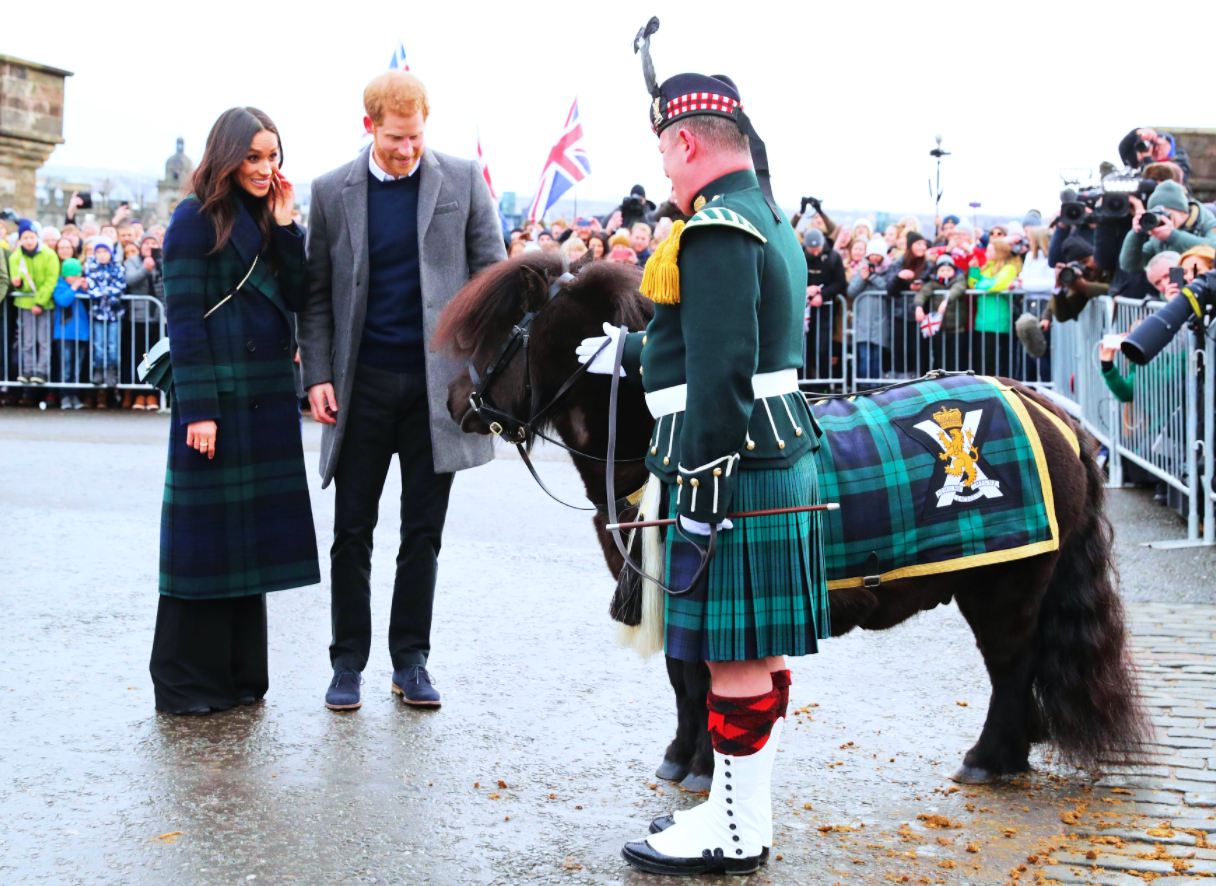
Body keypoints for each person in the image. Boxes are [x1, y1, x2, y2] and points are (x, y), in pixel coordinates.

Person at [577, 43, 829, 876]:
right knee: (751, 657)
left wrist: (701, 494)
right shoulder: (764, 215)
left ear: (687, 145)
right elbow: (712, 344)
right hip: (768, 455)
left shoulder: (717, 228)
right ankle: (739, 815)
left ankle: (733, 827)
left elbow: (724, 372)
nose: (663, 169)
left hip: (732, 466)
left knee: (734, 660)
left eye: (662, 152)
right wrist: (634, 350)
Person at [297, 70, 506, 712]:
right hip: (359, 389)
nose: (407, 149)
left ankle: (411, 661)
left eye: (415, 137)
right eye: (394, 139)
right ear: (369, 127)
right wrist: (319, 375)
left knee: (424, 532)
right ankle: (346, 665)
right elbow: (317, 296)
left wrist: (478, 376)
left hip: (436, 392)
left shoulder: (464, 180)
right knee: (350, 534)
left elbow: (492, 279)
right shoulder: (332, 190)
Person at [151, 106, 320, 715]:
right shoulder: (192, 219)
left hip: (264, 394)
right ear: (226, 156)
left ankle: (240, 676)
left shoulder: (268, 217)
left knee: (243, 546)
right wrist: (198, 409)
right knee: (204, 546)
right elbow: (186, 321)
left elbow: (300, 296)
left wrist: (288, 224)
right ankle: (186, 683)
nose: (264, 167)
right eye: (253, 157)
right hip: (216, 399)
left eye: (272, 156)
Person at [1120, 180, 1216, 274]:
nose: (1164, 220)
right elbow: (1130, 265)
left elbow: (1213, 247)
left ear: (1183, 212)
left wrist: (1173, 236)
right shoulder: (1159, 236)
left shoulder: (1207, 223)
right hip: (1173, 287)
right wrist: (1136, 234)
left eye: (1168, 214)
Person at [8, 218, 59, 385]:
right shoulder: (16, 257)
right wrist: (19, 284)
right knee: (27, 340)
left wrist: (40, 302)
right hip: (25, 304)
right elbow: (20, 282)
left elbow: (51, 280)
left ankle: (41, 371)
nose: (29, 241)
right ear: (20, 240)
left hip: (44, 304)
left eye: (32, 237)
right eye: (25, 238)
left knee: (43, 340)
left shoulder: (49, 255)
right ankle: (27, 370)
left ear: (37, 237)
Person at [124, 233, 165, 411]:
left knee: (157, 358)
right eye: (146, 243)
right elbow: (130, 280)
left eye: (153, 243)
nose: (149, 246)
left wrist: (159, 264)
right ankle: (139, 394)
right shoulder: (132, 261)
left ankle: (154, 394)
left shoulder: (164, 260)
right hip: (138, 318)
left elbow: (167, 283)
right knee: (139, 357)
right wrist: (144, 269)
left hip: (158, 317)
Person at [969, 237, 1020, 377]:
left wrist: (980, 285)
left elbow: (995, 285)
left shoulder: (1009, 268)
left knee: (1001, 361)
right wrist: (974, 269)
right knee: (983, 362)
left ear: (998, 252)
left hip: (999, 322)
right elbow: (972, 283)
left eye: (989, 250)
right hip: (982, 322)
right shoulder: (987, 268)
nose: (985, 253)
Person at [84, 237, 126, 402]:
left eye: (105, 252)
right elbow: (91, 287)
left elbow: (120, 286)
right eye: (98, 252)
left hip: (114, 313)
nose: (102, 255)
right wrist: (105, 292)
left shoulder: (118, 268)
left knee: (113, 345)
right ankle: (99, 369)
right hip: (97, 312)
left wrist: (105, 292)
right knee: (98, 344)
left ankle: (111, 372)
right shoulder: (90, 267)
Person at [802, 227, 846, 381]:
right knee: (803, 349)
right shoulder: (799, 255)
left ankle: (823, 385)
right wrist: (806, 290)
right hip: (803, 310)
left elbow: (841, 283)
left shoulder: (833, 257)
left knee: (821, 348)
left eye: (817, 249)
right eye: (811, 250)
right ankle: (803, 385)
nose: (815, 253)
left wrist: (822, 294)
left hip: (825, 310)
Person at [887, 230, 933, 376]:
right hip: (900, 315)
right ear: (910, 245)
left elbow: (934, 283)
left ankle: (921, 385)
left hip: (921, 315)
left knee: (921, 354)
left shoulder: (929, 265)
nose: (922, 247)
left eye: (924, 244)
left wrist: (922, 286)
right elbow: (889, 289)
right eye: (918, 244)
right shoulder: (898, 264)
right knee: (901, 353)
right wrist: (899, 278)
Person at [51, 257, 90, 409]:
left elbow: (90, 298)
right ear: (65, 275)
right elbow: (63, 301)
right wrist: (74, 288)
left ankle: (74, 396)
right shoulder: (60, 286)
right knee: (65, 367)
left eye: (78, 275)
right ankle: (65, 397)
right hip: (64, 334)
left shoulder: (80, 287)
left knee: (77, 368)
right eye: (72, 275)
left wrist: (86, 288)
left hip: (81, 334)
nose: (76, 279)